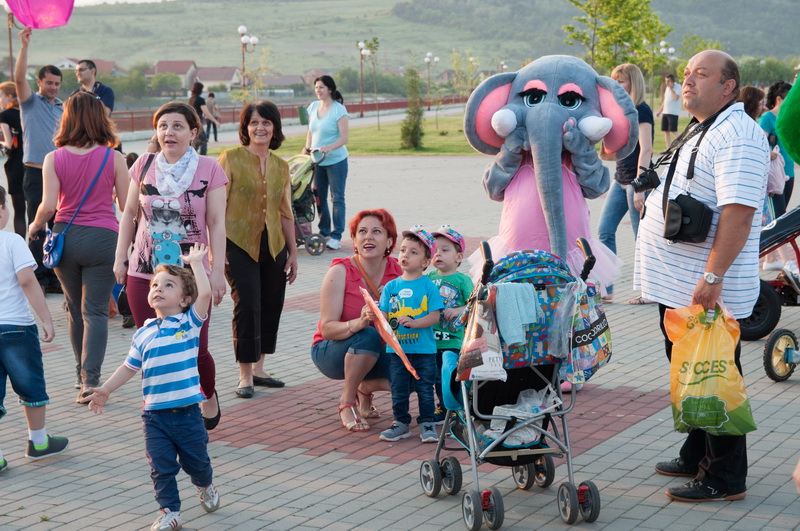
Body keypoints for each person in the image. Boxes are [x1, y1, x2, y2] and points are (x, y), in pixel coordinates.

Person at [634, 50, 769, 502]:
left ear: (729, 87)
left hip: (704, 286)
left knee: (714, 375)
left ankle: (724, 477)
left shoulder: (738, 135)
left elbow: (739, 212)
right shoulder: (705, 125)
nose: (687, 81)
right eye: (688, 73)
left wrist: (713, 276)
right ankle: (696, 453)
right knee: (691, 368)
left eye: (702, 75)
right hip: (679, 283)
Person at [82, 243, 221, 531]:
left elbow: (206, 294)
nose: (158, 289)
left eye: (169, 285)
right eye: (155, 284)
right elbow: (129, 367)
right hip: (154, 416)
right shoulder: (143, 333)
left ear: (185, 300)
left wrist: (197, 263)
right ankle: (170, 511)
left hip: (187, 414)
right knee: (161, 468)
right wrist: (105, 389)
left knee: (196, 463)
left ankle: (205, 484)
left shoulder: (189, 323)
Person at [114, 101, 227, 430]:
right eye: (163, 126)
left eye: (177, 126)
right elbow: (129, 214)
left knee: (196, 348)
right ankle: (162, 410)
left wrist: (217, 272)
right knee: (152, 345)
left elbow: (217, 223)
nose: (169, 132)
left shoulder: (209, 168)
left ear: (193, 132)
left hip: (191, 274)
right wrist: (120, 257)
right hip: (145, 271)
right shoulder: (143, 164)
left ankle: (207, 394)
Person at [27, 92, 129, 399]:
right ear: (100, 117)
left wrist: (34, 226)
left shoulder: (53, 158)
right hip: (104, 239)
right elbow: (127, 206)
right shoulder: (114, 157)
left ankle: (78, 372)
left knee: (74, 309)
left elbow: (48, 206)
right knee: (95, 312)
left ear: (67, 118)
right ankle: (90, 381)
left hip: (65, 239)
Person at [218, 101, 298, 399]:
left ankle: (260, 368)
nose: (260, 128)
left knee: (271, 303)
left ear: (275, 127)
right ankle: (245, 374)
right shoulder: (230, 158)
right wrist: (216, 249)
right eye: (254, 122)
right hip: (237, 242)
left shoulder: (281, 166)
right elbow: (216, 207)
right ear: (245, 128)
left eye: (266, 122)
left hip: (274, 244)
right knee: (247, 303)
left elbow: (285, 212)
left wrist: (293, 252)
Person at [311, 209, 401, 432]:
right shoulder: (340, 271)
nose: (368, 237)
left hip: (380, 350)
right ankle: (347, 401)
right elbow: (327, 328)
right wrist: (359, 322)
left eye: (376, 231)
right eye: (362, 231)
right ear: (354, 240)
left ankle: (365, 388)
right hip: (333, 351)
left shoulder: (399, 272)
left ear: (389, 241)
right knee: (367, 334)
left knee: (413, 375)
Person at [0, 185, 68, 472]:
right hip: (15, 326)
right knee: (30, 385)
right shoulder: (11, 241)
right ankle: (38, 443)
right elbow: (27, 281)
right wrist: (46, 318)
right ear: (1, 210)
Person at [376, 226, 443, 443]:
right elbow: (383, 315)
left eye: (413, 252)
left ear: (425, 262)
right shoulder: (390, 287)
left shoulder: (429, 286)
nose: (405, 255)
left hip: (424, 350)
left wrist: (415, 323)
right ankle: (401, 423)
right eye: (403, 250)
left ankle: (427, 423)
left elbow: (435, 317)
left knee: (425, 388)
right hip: (398, 351)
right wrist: (375, 315)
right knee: (399, 388)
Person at [597, 63, 654, 304]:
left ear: (633, 83)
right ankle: (606, 289)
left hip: (635, 182)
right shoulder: (620, 110)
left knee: (640, 237)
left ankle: (650, 291)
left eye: (621, 81)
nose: (617, 85)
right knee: (604, 231)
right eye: (615, 81)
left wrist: (640, 186)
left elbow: (647, 149)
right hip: (619, 179)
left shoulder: (641, 110)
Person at [14, 27, 63, 293]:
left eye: (57, 83)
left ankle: (54, 276)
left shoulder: (63, 108)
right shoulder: (30, 102)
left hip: (59, 174)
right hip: (35, 173)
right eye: (49, 83)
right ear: (40, 82)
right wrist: (24, 46)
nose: (53, 87)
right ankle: (38, 278)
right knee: (37, 226)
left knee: (57, 227)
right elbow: (18, 78)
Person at [426, 225, 472, 423]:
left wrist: (459, 310)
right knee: (436, 377)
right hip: (432, 340)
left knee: (451, 375)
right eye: (435, 250)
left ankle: (457, 408)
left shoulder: (463, 280)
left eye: (445, 250)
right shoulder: (428, 278)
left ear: (458, 257)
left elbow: (474, 304)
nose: (438, 254)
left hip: (453, 339)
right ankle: (443, 407)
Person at [303, 75, 349, 250]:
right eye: (316, 87)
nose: (318, 90)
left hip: (337, 161)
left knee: (337, 198)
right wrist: (307, 147)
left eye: (321, 87)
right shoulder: (313, 107)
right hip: (318, 161)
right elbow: (310, 131)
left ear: (330, 89)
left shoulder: (339, 110)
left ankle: (336, 236)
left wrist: (330, 147)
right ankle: (324, 232)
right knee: (319, 197)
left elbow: (344, 138)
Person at [759, 81, 795, 218]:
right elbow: (759, 144)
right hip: (774, 175)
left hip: (789, 172)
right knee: (777, 217)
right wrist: (768, 153)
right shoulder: (767, 119)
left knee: (783, 215)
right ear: (779, 99)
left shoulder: (788, 119)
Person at [0, 82, 26, 238]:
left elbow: (8, 145)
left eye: (1, 96)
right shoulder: (28, 111)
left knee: (19, 211)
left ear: (10, 96)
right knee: (36, 208)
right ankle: (38, 246)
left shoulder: (5, 115)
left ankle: (20, 246)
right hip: (34, 165)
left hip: (15, 166)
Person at [188, 82, 220, 156]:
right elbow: (206, 113)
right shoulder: (200, 100)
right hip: (198, 124)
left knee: (196, 142)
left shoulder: (191, 99)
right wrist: (215, 121)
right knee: (203, 141)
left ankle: (192, 157)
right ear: (200, 90)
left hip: (191, 123)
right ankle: (203, 158)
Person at [656, 74, 681, 147]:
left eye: (668, 81)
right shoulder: (667, 88)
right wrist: (659, 111)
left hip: (673, 112)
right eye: (666, 81)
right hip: (665, 112)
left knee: (673, 130)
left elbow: (676, 97)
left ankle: (682, 144)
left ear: (672, 81)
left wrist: (671, 89)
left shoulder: (678, 87)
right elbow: (665, 101)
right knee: (666, 131)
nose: (666, 83)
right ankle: (668, 148)